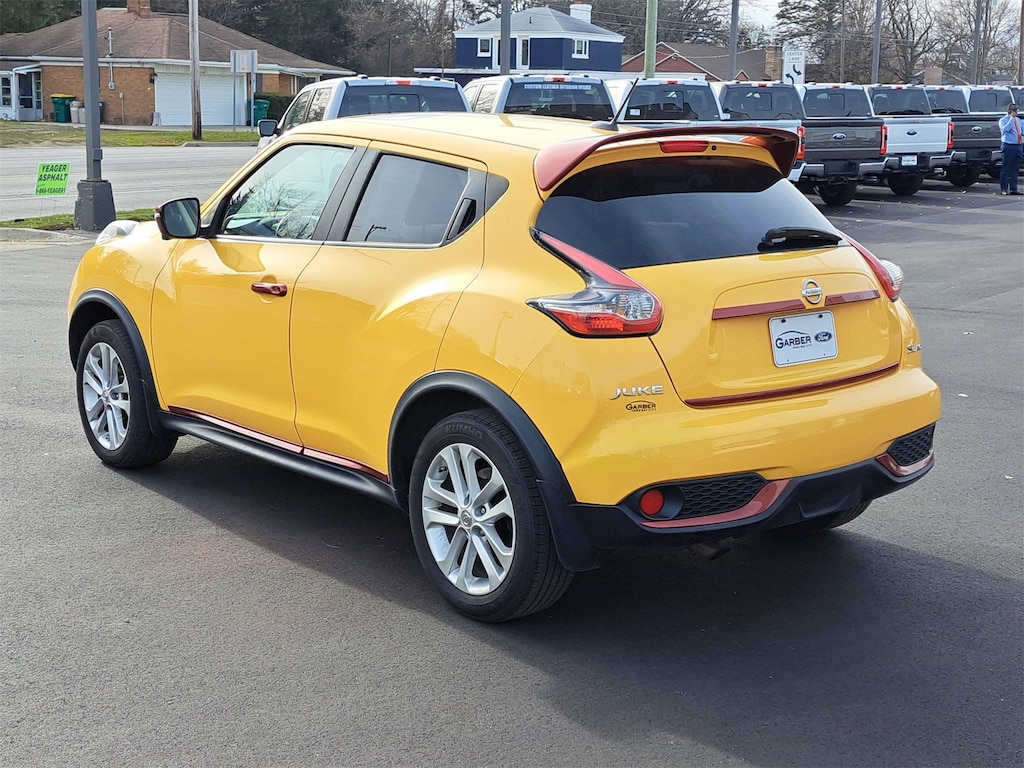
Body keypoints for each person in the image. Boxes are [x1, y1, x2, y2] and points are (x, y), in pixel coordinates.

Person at [998, 103, 1023, 196]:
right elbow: (1005, 130)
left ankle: (1014, 188)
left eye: (1017, 110)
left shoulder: (1019, 120)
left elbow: (1022, 131)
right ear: (1010, 111)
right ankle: (1004, 188)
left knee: (1015, 168)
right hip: (1008, 145)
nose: (1016, 112)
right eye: (1014, 111)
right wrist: (1011, 119)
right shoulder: (1003, 120)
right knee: (1006, 168)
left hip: (1018, 145)